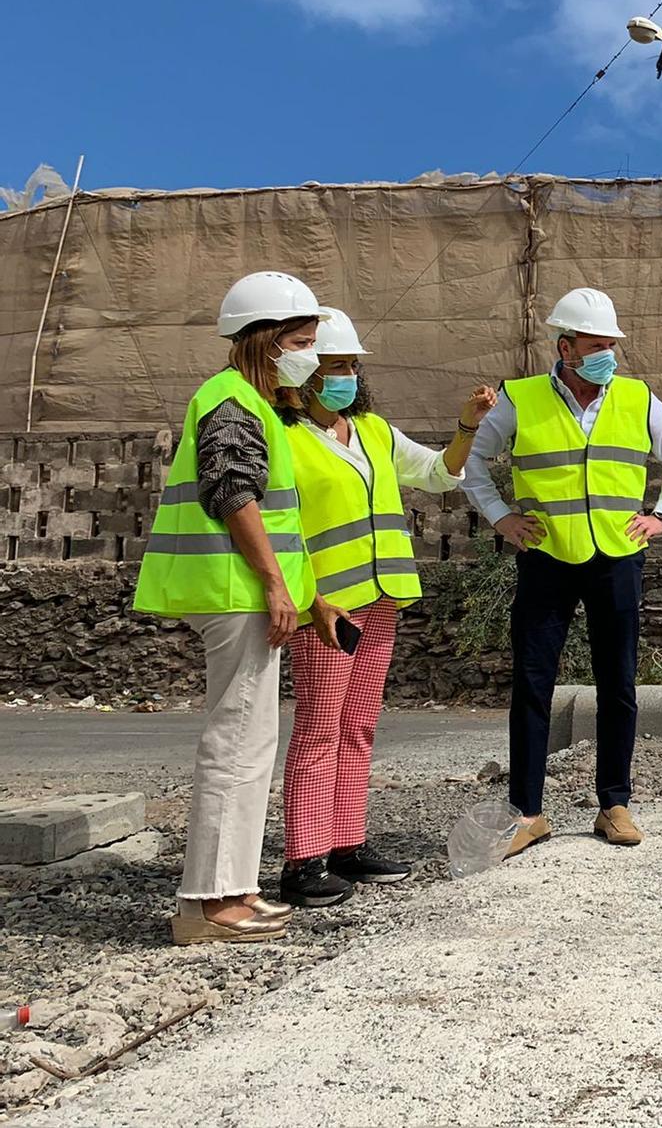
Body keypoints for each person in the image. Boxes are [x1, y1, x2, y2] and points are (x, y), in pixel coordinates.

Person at [462, 288, 662, 857]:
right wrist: (501, 519)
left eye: (611, 346)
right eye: (595, 346)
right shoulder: (519, 400)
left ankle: (614, 803)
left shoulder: (637, 398)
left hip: (616, 558)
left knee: (617, 683)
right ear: (564, 347)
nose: (607, 357)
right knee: (533, 684)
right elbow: (470, 461)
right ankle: (528, 813)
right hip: (546, 558)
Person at [276, 309, 498, 907]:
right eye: (333, 365)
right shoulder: (284, 438)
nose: (346, 375)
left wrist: (466, 426)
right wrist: (308, 598)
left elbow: (438, 473)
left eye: (351, 365)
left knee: (360, 725)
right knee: (320, 727)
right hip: (327, 606)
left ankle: (346, 845)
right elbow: (280, 528)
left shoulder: (372, 429)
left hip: (381, 597)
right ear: (304, 374)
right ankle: (303, 859)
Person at [133, 272, 326, 945]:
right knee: (237, 740)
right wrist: (276, 586)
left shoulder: (255, 403)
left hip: (247, 593)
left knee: (251, 741)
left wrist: (302, 594)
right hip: (236, 594)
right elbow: (232, 494)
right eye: (301, 342)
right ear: (266, 342)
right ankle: (208, 903)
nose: (311, 354)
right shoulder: (231, 402)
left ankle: (235, 889)